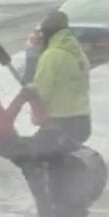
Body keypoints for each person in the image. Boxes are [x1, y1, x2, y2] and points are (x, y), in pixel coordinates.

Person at [29, 10, 92, 146]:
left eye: (43, 33)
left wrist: (36, 116)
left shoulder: (52, 56)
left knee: (33, 156)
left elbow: (41, 91)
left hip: (60, 124)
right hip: (82, 122)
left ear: (49, 33)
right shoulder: (80, 55)